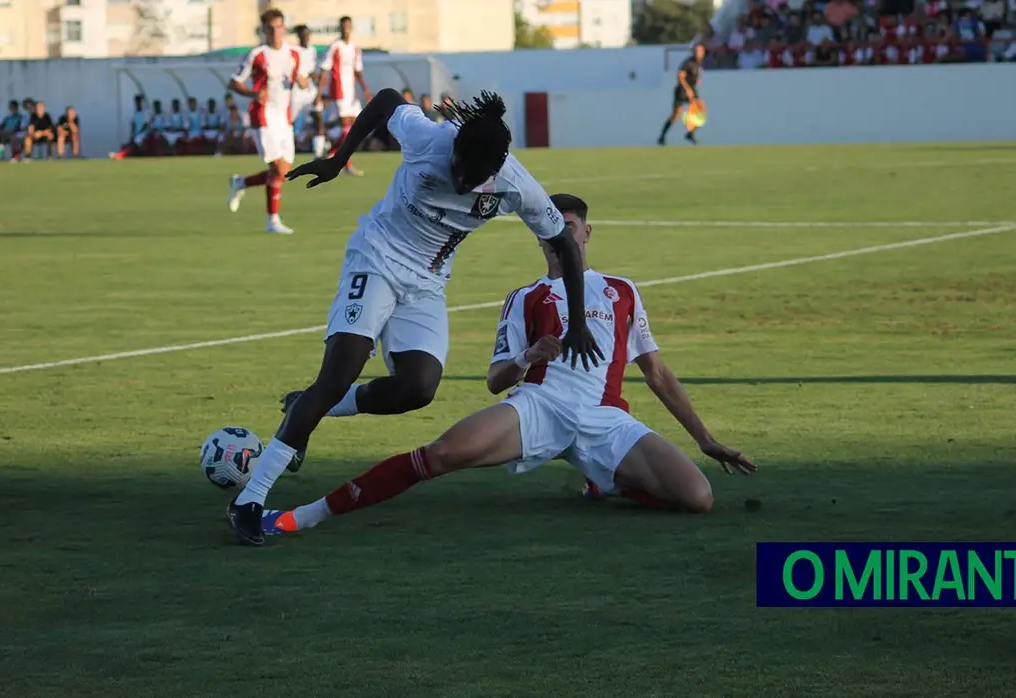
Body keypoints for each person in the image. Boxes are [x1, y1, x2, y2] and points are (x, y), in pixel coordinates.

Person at [224, 88, 603, 546]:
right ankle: (250, 499)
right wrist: (337, 159)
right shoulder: (429, 139)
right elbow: (385, 100)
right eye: (460, 169)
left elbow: (562, 240)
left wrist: (578, 322)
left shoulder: (516, 184)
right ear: (455, 148)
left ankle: (306, 404)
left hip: (426, 282)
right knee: (340, 370)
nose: (463, 182)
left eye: (475, 177)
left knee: (417, 388)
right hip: (377, 258)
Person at [259, 193, 757, 538]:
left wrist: (705, 440)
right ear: (541, 242)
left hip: (605, 417)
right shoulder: (526, 298)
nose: (561, 243)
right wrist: (528, 356)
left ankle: (605, 480)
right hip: (538, 407)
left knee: (699, 498)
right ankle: (305, 515)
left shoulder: (621, 291)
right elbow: (497, 381)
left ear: (587, 232)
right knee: (442, 454)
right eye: (551, 236)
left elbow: (657, 373)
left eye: (571, 232)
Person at [225, 8, 310, 235]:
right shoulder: (257, 55)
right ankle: (272, 221)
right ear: (264, 30)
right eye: (270, 29)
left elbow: (301, 79)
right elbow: (234, 83)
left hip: (285, 118)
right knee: (276, 168)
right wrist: (254, 94)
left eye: (279, 27)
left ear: (284, 28)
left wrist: (303, 81)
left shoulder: (294, 54)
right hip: (263, 116)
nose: (275, 32)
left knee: (283, 172)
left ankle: (241, 183)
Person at [319, 15, 372, 176]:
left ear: (351, 28)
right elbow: (325, 70)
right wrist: (320, 93)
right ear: (340, 28)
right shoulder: (334, 47)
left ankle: (335, 157)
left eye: (348, 26)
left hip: (351, 92)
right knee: (345, 129)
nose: (346, 29)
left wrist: (365, 90)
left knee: (355, 130)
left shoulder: (355, 49)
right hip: (339, 91)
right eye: (343, 26)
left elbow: (358, 71)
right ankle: (341, 161)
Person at [290, 23, 327, 159]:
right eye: (303, 35)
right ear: (298, 36)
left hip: (310, 90)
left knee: (318, 117)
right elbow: (289, 68)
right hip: (297, 91)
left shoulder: (312, 50)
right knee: (288, 122)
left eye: (307, 34)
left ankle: (318, 154)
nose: (306, 37)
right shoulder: (293, 50)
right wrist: (297, 78)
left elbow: (310, 69)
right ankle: (284, 149)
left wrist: (315, 76)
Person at [658, 42, 705, 146]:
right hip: (682, 90)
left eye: (700, 51)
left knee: (701, 109)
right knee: (676, 115)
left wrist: (697, 81)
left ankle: (690, 133)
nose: (698, 53)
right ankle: (662, 137)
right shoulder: (688, 62)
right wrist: (687, 89)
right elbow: (680, 76)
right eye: (696, 51)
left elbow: (697, 74)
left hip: (692, 88)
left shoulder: (699, 63)